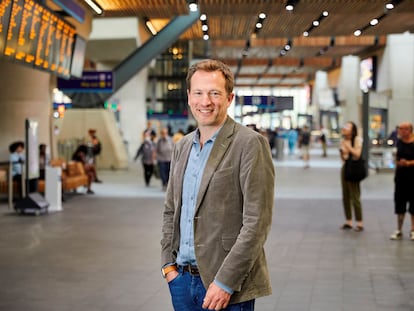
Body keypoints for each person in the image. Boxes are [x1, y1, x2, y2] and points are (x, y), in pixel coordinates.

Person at [160, 59, 275, 311]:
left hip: (226, 287)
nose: (205, 101)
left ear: (229, 98)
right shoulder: (182, 147)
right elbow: (171, 210)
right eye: (199, 93)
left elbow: (257, 223)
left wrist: (225, 282)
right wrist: (168, 266)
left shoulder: (249, 144)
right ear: (189, 96)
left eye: (214, 93)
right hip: (181, 280)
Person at [390, 122, 414, 240]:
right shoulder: (399, 142)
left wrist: (409, 163)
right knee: (400, 203)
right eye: (399, 129)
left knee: (413, 204)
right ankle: (399, 229)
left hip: (413, 177)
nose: (400, 131)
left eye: (403, 129)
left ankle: (413, 230)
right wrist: (398, 162)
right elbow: (396, 157)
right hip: (400, 177)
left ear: (409, 130)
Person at [339, 121, 364, 232]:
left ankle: (359, 222)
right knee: (345, 195)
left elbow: (357, 154)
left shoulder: (357, 140)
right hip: (345, 167)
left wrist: (347, 147)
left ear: (353, 129)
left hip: (354, 168)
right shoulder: (343, 140)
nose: (344, 128)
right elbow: (344, 158)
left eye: (347, 126)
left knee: (355, 195)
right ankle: (348, 220)